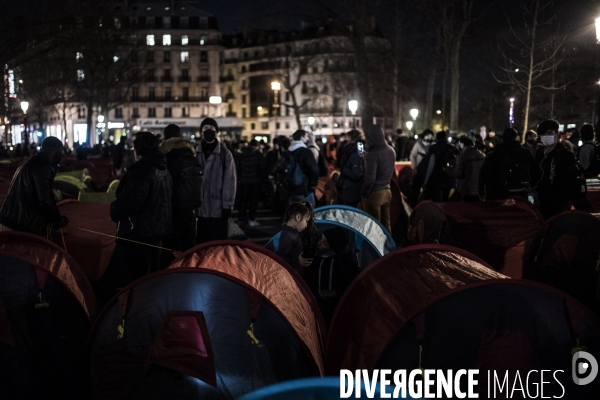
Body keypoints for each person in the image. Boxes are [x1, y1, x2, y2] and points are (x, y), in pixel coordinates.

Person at [110, 132, 172, 283]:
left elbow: (131, 202)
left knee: (139, 279)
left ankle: (140, 306)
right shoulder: (163, 168)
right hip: (158, 232)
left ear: (138, 150)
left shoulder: (141, 170)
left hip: (139, 234)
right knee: (153, 277)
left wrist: (114, 209)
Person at [0, 137, 68, 235]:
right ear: (57, 154)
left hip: (9, 220)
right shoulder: (44, 166)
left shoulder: (29, 163)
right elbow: (45, 200)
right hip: (18, 226)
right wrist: (58, 220)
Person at [159, 124, 203, 252]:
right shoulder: (191, 156)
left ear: (165, 137)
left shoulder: (165, 157)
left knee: (170, 250)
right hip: (190, 212)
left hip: (169, 212)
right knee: (188, 248)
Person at [303, 226, 359, 323]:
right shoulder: (313, 257)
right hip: (313, 308)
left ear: (333, 248)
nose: (319, 243)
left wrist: (334, 292)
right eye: (321, 238)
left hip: (336, 312)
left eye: (325, 243)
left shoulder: (345, 263)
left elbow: (352, 284)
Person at [195, 118, 237, 243]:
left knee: (218, 244)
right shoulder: (194, 152)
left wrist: (227, 206)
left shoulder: (225, 154)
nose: (209, 131)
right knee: (201, 245)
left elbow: (230, 181)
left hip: (218, 210)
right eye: (205, 128)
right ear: (201, 132)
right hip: (199, 210)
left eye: (212, 129)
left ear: (216, 132)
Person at [533, 120, 580, 219]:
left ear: (557, 134)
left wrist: (563, 202)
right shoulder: (539, 154)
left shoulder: (565, 155)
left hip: (559, 206)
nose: (546, 136)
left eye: (549, 133)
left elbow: (570, 183)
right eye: (543, 134)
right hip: (541, 203)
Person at [479, 128, 534, 201]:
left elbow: (483, 175)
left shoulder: (492, 155)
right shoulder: (524, 154)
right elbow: (534, 170)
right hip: (520, 192)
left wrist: (481, 192)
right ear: (516, 137)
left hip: (496, 193)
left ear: (503, 138)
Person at [361, 125, 396, 232]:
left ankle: (375, 249)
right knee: (386, 225)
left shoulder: (373, 154)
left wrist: (364, 194)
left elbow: (370, 180)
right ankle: (389, 247)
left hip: (374, 193)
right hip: (387, 191)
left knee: (374, 228)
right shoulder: (391, 150)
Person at [268, 202, 314, 276]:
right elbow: (280, 260)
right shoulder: (289, 237)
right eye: (306, 221)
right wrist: (298, 262)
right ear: (298, 217)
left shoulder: (292, 234)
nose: (306, 225)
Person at [422, 131, 460, 202]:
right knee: (446, 202)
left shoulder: (433, 148)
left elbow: (430, 166)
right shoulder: (454, 148)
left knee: (436, 202)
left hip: (436, 180)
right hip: (450, 180)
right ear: (446, 137)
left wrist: (425, 181)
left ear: (437, 138)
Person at [286, 130, 319, 207]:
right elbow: (314, 169)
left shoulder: (288, 152)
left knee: (294, 213)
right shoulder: (305, 152)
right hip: (304, 189)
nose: (307, 139)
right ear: (302, 138)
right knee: (308, 213)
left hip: (291, 189)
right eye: (306, 136)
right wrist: (313, 184)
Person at [237, 139, 265, 227]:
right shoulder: (258, 154)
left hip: (243, 180)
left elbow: (238, 167)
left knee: (243, 200)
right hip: (255, 181)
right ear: (257, 146)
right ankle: (251, 219)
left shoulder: (241, 154)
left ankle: (241, 218)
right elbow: (261, 169)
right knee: (253, 201)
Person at [337, 130, 365, 207]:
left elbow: (357, 173)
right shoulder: (359, 149)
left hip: (352, 190)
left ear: (351, 138)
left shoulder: (355, 152)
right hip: (351, 188)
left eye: (347, 137)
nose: (345, 140)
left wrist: (344, 169)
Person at [453, 137, 485, 201]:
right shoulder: (483, 155)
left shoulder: (462, 156)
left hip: (466, 189)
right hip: (480, 188)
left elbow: (458, 173)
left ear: (462, 145)